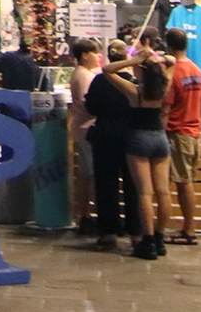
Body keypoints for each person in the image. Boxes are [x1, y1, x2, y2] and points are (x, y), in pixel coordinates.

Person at [100, 48, 173, 260]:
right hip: (160, 137)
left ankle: (148, 241)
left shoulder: (134, 91)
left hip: (139, 138)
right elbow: (172, 61)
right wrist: (158, 57)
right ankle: (160, 238)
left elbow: (107, 70)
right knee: (164, 191)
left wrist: (133, 59)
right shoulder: (163, 87)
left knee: (144, 192)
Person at [85, 39, 142, 249]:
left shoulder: (100, 81)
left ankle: (109, 232)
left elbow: (91, 107)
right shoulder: (134, 83)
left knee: (106, 186)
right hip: (130, 139)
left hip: (104, 138)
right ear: (126, 58)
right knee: (133, 187)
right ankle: (136, 232)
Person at [163, 27, 201, 245]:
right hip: (195, 131)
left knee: (182, 182)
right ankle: (188, 227)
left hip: (178, 132)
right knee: (185, 180)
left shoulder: (173, 73)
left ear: (168, 46)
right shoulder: (197, 71)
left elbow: (166, 106)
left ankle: (189, 229)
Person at [68, 39, 100, 233]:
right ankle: (86, 214)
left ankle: (84, 213)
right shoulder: (84, 76)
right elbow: (91, 104)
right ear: (85, 55)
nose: (98, 57)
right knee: (89, 173)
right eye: (95, 53)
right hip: (87, 128)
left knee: (85, 174)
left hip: (82, 128)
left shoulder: (83, 74)